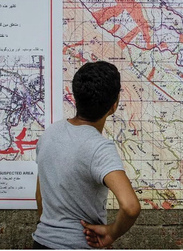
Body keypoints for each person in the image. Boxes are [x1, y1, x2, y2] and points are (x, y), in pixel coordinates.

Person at [32, 61, 141, 249]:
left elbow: (40, 197)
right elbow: (130, 207)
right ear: (114, 106)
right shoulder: (99, 148)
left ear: (76, 97)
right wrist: (111, 233)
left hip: (41, 242)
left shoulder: (49, 134)